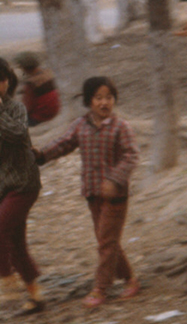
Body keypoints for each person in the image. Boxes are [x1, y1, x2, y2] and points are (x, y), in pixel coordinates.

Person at [34, 76, 140, 309]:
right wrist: (41, 154)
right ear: (89, 101)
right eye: (99, 97)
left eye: (109, 97)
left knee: (106, 242)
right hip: (92, 193)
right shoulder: (81, 125)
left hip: (115, 195)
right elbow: (63, 143)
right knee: (108, 241)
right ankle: (130, 280)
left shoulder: (121, 127)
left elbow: (131, 156)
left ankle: (100, 288)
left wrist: (114, 179)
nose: (105, 103)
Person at [0, 58, 43, 313]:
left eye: (0, 79)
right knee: (16, 243)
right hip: (3, 185)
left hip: (24, 182)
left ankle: (6, 278)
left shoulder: (15, 108)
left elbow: (17, 134)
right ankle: (36, 295)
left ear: (7, 81)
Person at [14, 52, 60, 127]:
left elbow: (27, 108)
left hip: (39, 118)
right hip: (54, 112)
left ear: (24, 67)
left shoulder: (30, 83)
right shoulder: (48, 74)